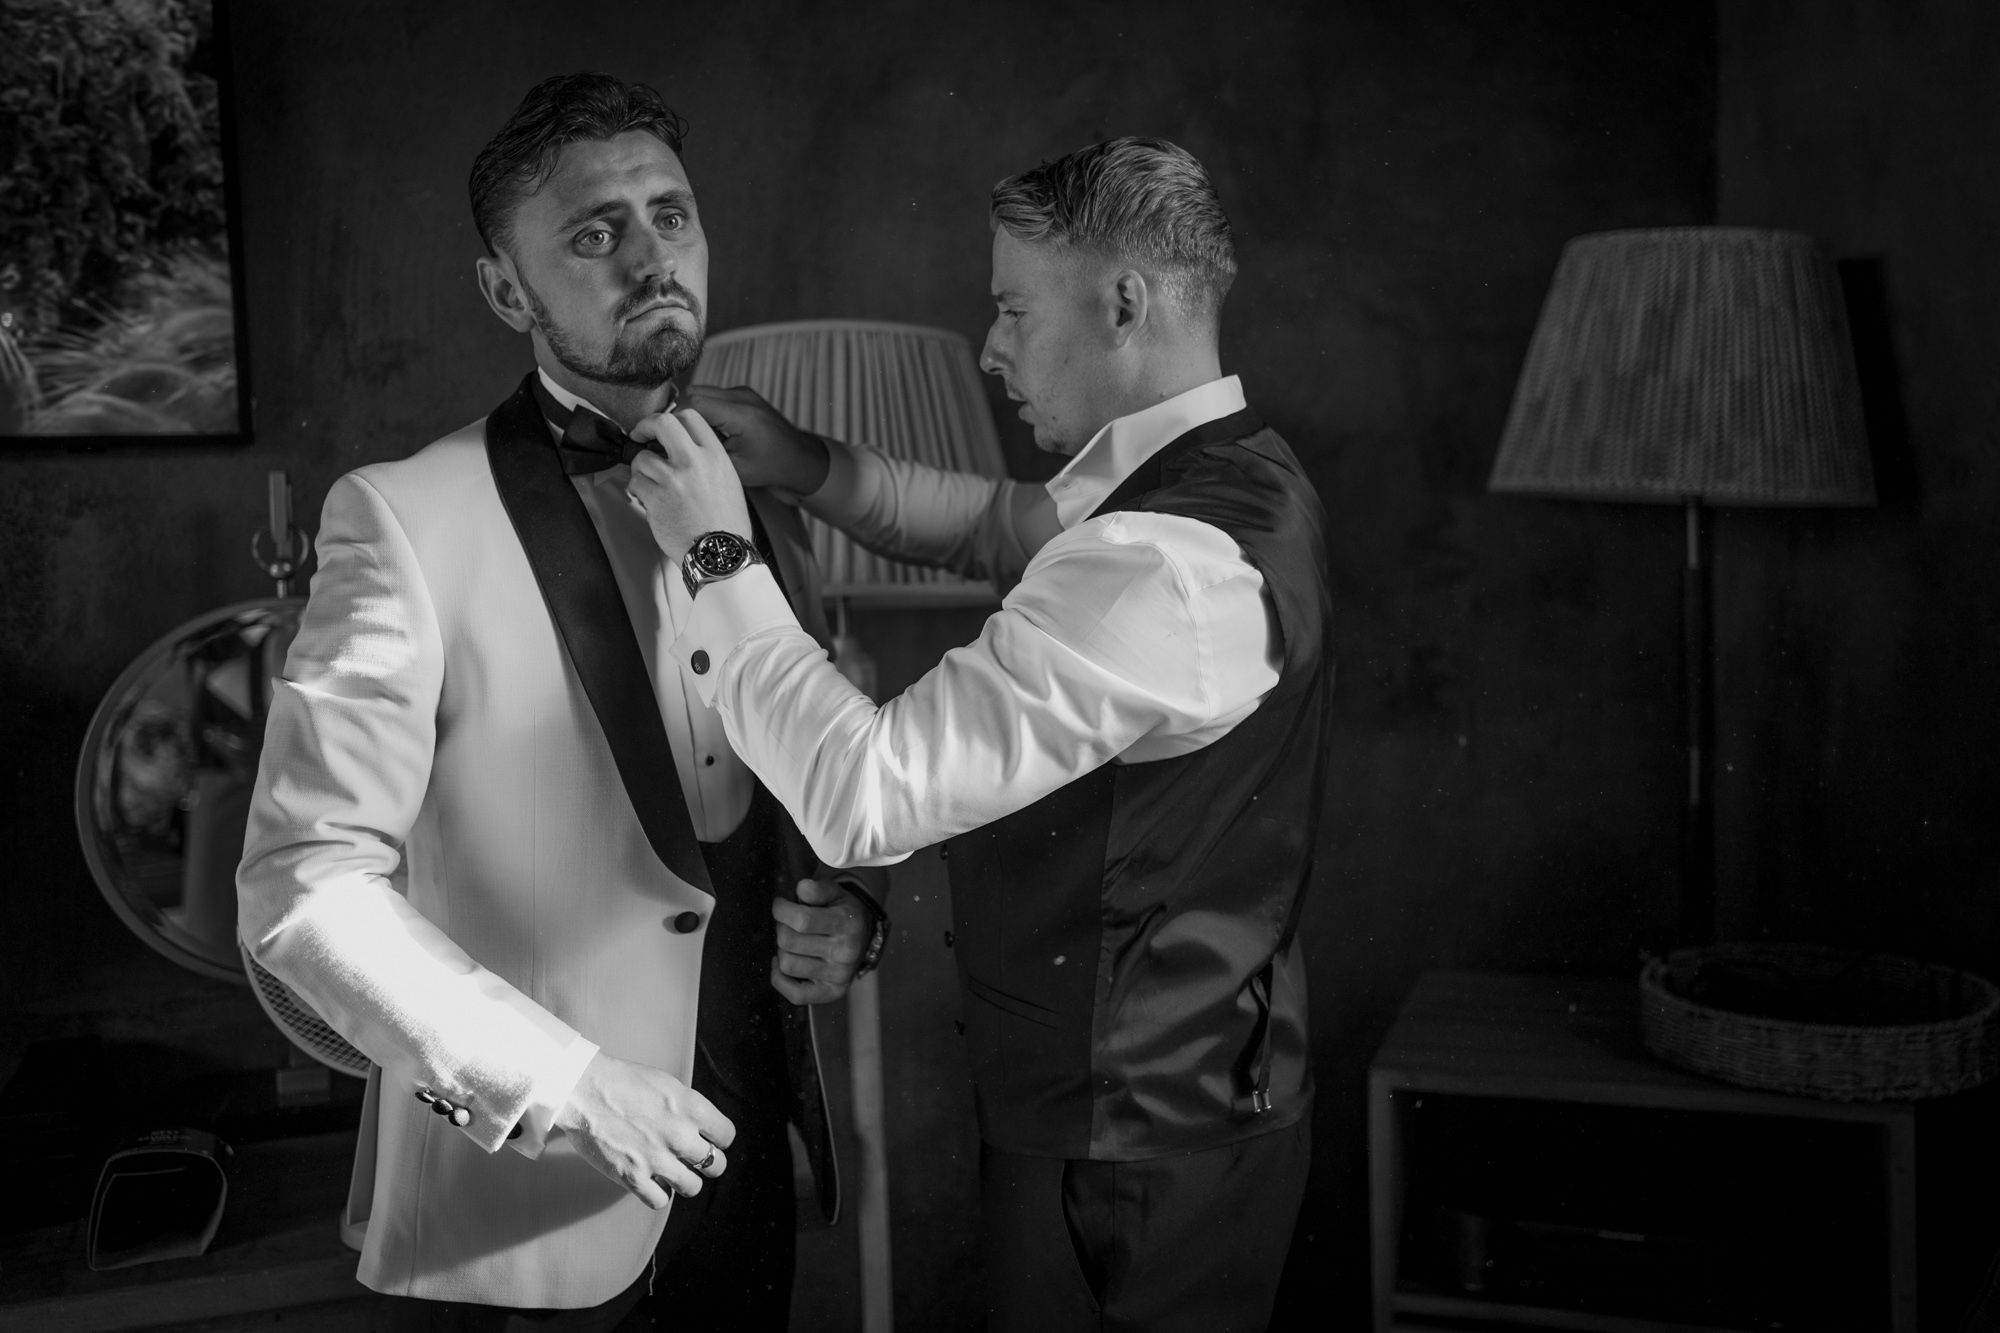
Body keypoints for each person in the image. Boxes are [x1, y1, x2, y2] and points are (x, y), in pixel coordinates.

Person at [631, 136, 1332, 1332]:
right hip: (1194, 1101)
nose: (989, 346)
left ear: (1122, 304)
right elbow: (998, 527)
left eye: (1012, 308)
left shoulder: (1155, 567)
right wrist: (807, 463)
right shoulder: (1224, 476)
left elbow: (863, 792)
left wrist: (713, 552)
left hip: (1129, 1154)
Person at [236, 72, 885, 1333]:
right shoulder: (401, 517)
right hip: (532, 1200)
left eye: (670, 216)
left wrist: (846, 906)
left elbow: (790, 763)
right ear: (505, 291)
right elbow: (299, 888)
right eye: (594, 235)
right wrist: (567, 1088)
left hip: (750, 1157)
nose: (651, 259)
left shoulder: (757, 494)